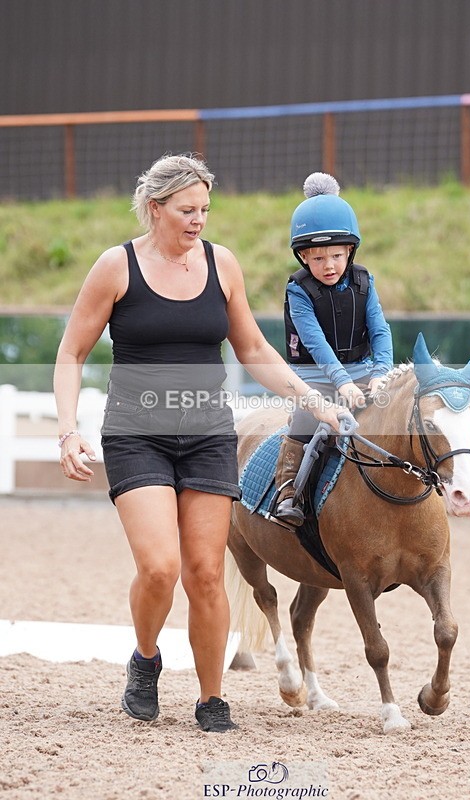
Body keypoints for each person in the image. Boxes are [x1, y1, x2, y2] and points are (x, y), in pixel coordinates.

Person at [53, 154, 347, 733]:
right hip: (137, 434)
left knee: (206, 574)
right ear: (155, 207)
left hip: (209, 433)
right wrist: (68, 430)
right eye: (187, 210)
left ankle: (212, 698)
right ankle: (145, 660)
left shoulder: (222, 265)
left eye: (205, 210)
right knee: (160, 568)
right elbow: (71, 353)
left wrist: (313, 400)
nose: (198, 221)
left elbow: (256, 351)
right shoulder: (116, 267)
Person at [274, 172, 394, 526]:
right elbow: (316, 343)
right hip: (314, 375)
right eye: (318, 258)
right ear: (304, 259)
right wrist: (341, 382)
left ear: (350, 251)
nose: (328, 266)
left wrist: (382, 373)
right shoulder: (298, 291)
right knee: (307, 418)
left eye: (337, 255)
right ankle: (288, 491)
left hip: (362, 368)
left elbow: (380, 329)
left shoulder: (363, 281)